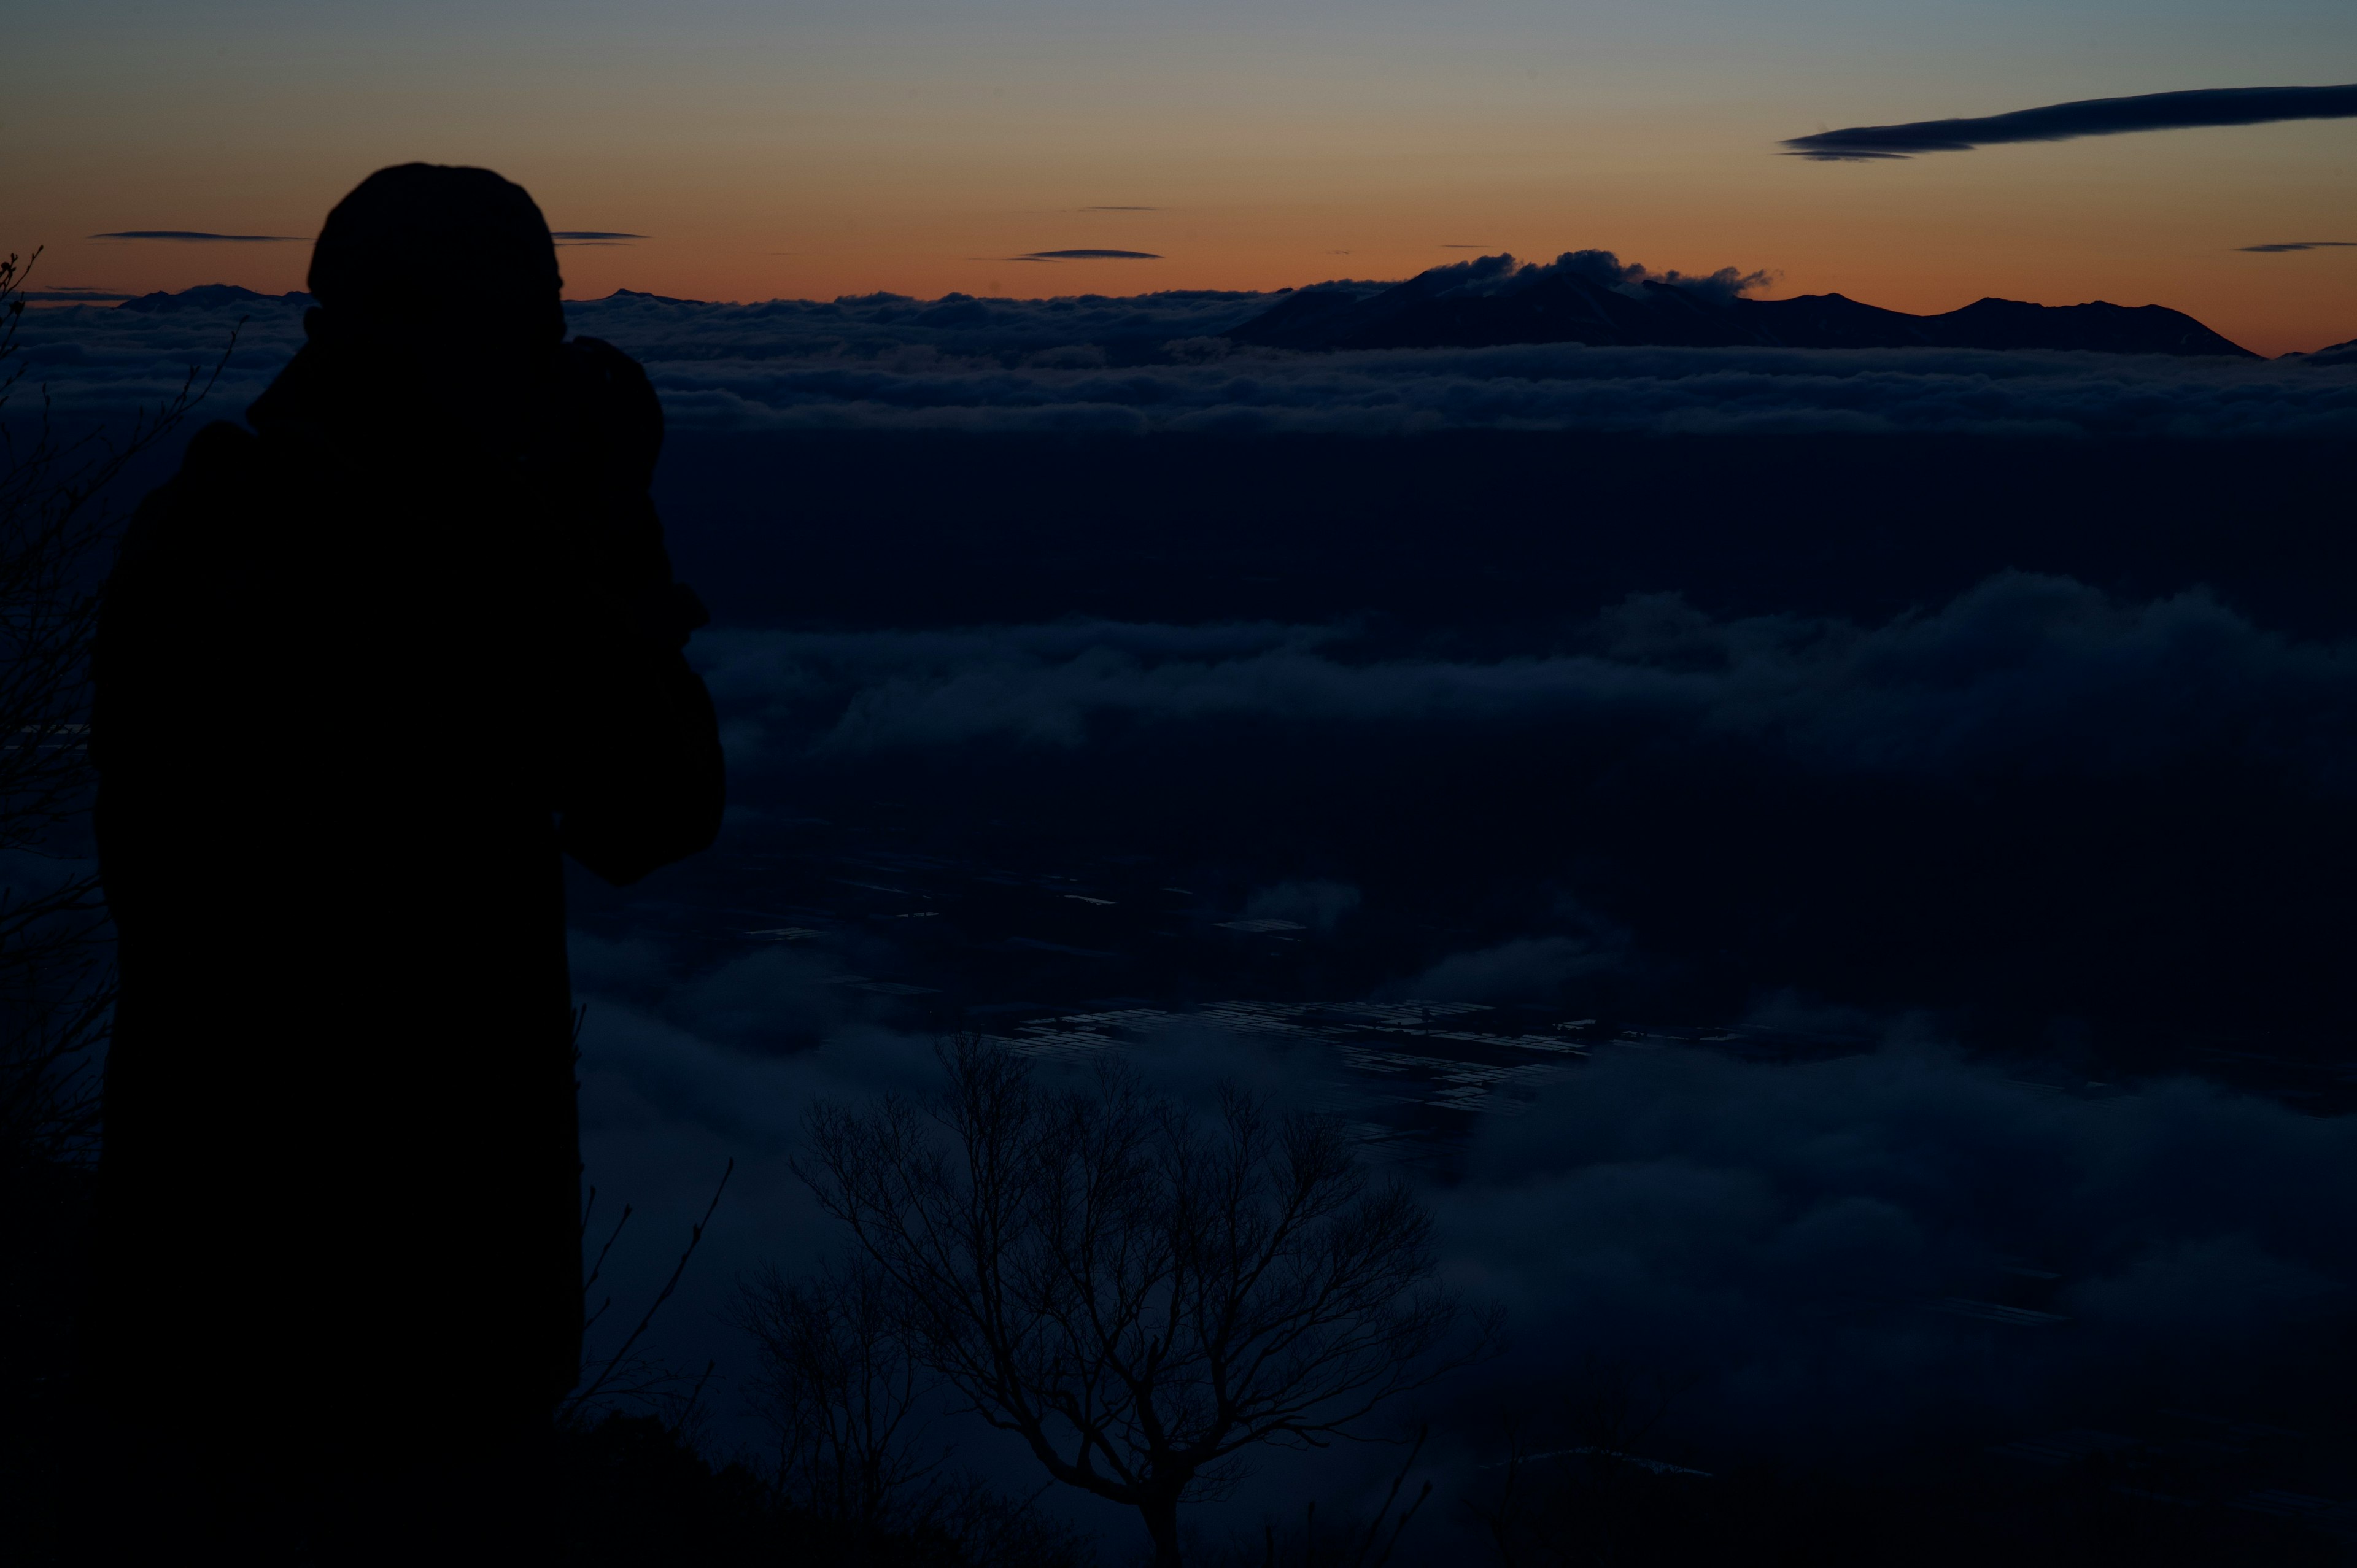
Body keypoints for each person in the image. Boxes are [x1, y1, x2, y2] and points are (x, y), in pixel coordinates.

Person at [82, 163, 724, 1558]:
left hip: (192, 1262)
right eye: (537, 323)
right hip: (423, 1300)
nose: (554, 359)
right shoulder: (447, 560)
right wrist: (612, 527)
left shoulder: (204, 523)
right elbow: (654, 806)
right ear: (463, 332)